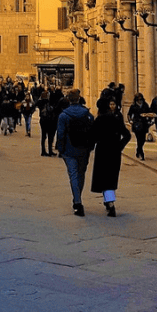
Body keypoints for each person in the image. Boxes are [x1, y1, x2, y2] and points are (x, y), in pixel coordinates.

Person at [55, 88, 95, 216]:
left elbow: (60, 134)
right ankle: (77, 197)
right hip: (84, 149)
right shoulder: (87, 114)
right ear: (79, 98)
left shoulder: (64, 115)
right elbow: (92, 132)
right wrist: (90, 146)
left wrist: (60, 148)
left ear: (68, 100)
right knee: (81, 173)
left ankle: (77, 202)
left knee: (73, 175)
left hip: (69, 149)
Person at [90, 95, 131, 216]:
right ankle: (108, 201)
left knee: (104, 178)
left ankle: (110, 203)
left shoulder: (99, 120)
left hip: (102, 152)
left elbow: (92, 137)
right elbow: (127, 135)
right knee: (111, 178)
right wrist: (120, 146)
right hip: (114, 152)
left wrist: (89, 147)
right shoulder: (116, 119)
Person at [127, 92, 151, 160]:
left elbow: (149, 113)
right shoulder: (133, 106)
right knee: (138, 138)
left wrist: (149, 119)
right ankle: (141, 153)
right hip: (136, 123)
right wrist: (130, 121)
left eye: (141, 99)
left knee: (143, 139)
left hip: (144, 123)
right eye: (138, 99)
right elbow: (129, 114)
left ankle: (138, 150)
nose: (139, 101)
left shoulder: (145, 105)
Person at [37, 89, 58, 156]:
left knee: (43, 136)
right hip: (50, 120)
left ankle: (43, 151)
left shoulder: (40, 102)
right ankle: (50, 150)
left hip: (43, 120)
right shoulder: (49, 102)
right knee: (50, 136)